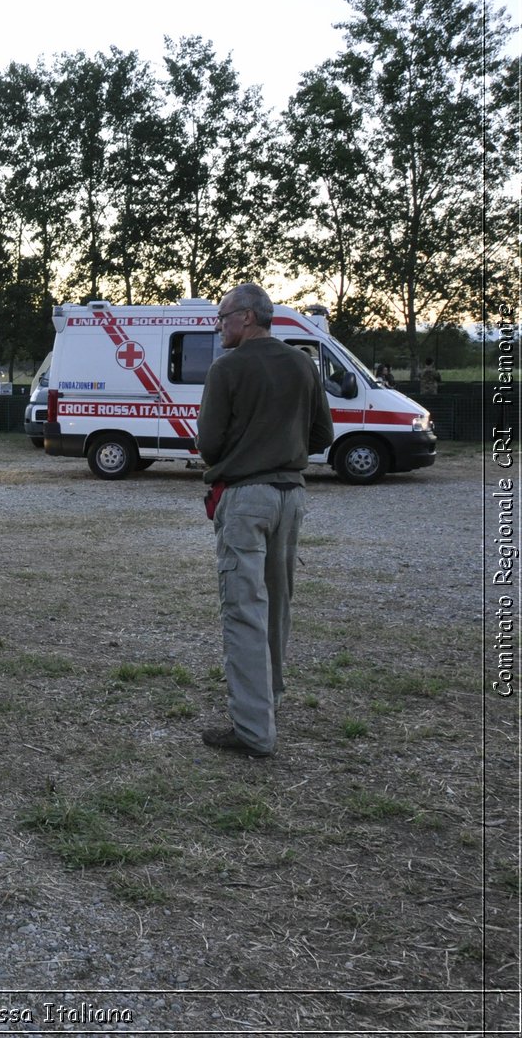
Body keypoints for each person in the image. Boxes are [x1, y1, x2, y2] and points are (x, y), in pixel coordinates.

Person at [197, 283, 334, 758]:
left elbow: (209, 444)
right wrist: (282, 448)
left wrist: (246, 450)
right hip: (291, 495)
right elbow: (322, 433)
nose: (219, 326)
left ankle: (254, 730)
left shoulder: (227, 368)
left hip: (245, 496)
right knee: (278, 604)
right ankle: (268, 700)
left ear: (248, 317)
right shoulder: (303, 364)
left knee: (243, 608)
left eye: (222, 317)